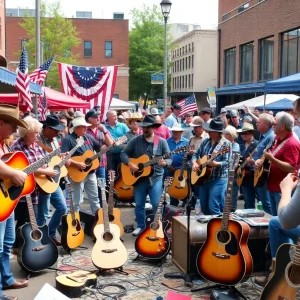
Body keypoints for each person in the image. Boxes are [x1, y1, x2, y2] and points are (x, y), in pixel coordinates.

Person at [120, 115, 170, 236]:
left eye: (148, 127)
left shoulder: (161, 142)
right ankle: (141, 226)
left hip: (156, 177)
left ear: (153, 127)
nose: (145, 130)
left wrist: (165, 163)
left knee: (156, 203)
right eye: (144, 127)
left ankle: (157, 225)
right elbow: (123, 154)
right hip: (139, 179)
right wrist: (130, 164)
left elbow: (170, 158)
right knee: (139, 204)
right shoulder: (135, 140)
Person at [0, 105, 30, 300]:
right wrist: (13, 173)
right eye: (12, 125)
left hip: (6, 200)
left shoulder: (5, 143)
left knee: (7, 243)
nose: (15, 130)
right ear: (1, 122)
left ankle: (6, 279)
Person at [259, 112, 300, 216]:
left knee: (280, 222)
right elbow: (270, 156)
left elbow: (292, 168)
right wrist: (260, 161)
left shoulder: (291, 143)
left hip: (282, 190)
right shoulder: (277, 139)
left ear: (282, 127)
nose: (272, 125)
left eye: (274, 124)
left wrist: (273, 160)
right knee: (275, 218)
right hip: (273, 186)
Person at [36, 115, 67, 246]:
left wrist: (62, 157)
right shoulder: (36, 140)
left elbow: (55, 158)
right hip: (42, 180)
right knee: (42, 213)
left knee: (62, 208)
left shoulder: (54, 140)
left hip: (53, 179)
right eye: (55, 130)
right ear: (47, 128)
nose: (57, 133)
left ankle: (51, 233)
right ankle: (39, 241)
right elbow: (36, 162)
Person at [61, 117, 101, 214]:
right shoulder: (68, 140)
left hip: (91, 173)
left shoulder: (88, 137)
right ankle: (74, 224)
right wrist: (77, 164)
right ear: (77, 128)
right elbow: (63, 158)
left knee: (95, 199)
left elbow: (99, 147)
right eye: (84, 127)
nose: (86, 129)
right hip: (77, 175)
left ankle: (98, 222)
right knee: (76, 202)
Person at [192, 118, 231, 215]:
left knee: (213, 207)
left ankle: (219, 228)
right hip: (204, 179)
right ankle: (209, 228)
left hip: (219, 178)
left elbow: (228, 162)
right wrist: (195, 163)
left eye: (211, 131)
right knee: (204, 207)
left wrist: (216, 164)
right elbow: (195, 155)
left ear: (218, 132)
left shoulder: (225, 144)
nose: (208, 132)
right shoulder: (205, 142)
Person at [248, 113, 274, 215]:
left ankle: (273, 224)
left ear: (267, 125)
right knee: (264, 202)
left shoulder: (271, 137)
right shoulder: (263, 136)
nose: (256, 124)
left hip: (265, 173)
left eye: (259, 122)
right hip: (259, 172)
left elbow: (269, 157)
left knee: (267, 203)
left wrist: (254, 161)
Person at [165, 123, 189, 206]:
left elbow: (188, 157)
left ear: (181, 132)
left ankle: (184, 201)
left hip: (182, 169)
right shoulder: (167, 142)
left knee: (183, 186)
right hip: (170, 169)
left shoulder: (186, 142)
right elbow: (164, 155)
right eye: (174, 131)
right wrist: (168, 165)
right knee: (171, 188)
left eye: (177, 131)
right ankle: (173, 202)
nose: (175, 133)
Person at [237, 123, 258, 209]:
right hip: (244, 177)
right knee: (247, 202)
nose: (244, 135)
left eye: (246, 133)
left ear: (252, 133)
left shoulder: (257, 145)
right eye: (242, 133)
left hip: (255, 175)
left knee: (260, 201)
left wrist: (253, 162)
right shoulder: (241, 146)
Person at [223, 125, 240, 211]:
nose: (226, 136)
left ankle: (232, 209)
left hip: (232, 172)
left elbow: (232, 159)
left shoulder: (235, 145)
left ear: (232, 135)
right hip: (225, 172)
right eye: (225, 134)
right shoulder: (224, 144)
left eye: (228, 134)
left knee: (232, 191)